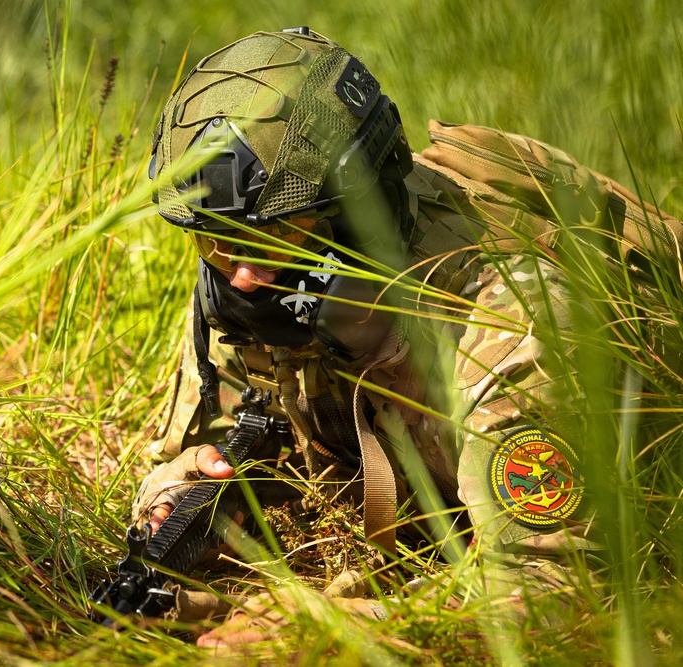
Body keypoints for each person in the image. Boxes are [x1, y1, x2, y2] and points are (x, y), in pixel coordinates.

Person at [131, 26, 680, 647]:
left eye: (273, 238)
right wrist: (178, 495)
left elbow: (561, 592)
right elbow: (196, 451)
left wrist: (341, 634)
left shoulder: (511, 322)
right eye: (216, 243)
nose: (245, 278)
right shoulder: (243, 289)